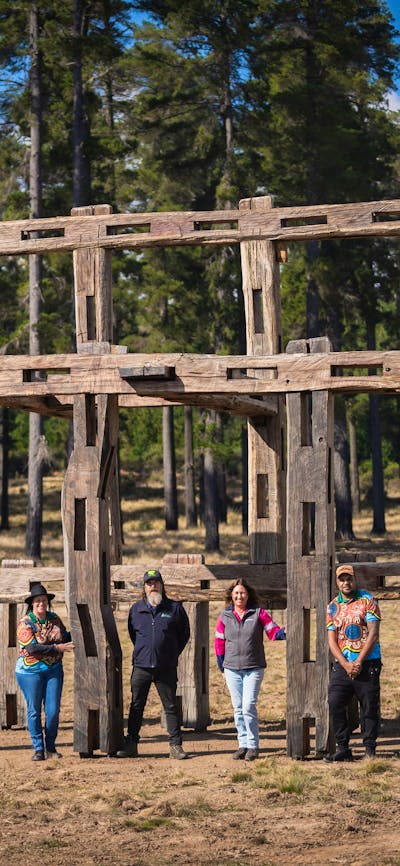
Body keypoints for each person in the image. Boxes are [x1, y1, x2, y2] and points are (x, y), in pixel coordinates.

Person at [117, 568, 190, 760]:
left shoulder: (175, 608)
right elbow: (134, 635)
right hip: (141, 666)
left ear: (162, 585)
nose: (153, 586)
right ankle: (131, 743)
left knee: (170, 707)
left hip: (165, 667)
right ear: (144, 587)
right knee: (136, 705)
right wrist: (145, 652)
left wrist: (170, 653)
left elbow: (184, 635)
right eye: (149, 583)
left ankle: (176, 746)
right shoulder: (136, 610)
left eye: (156, 582)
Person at [214, 578, 286, 761]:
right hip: (231, 669)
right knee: (237, 708)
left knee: (248, 706)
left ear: (248, 595)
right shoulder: (224, 616)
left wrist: (286, 632)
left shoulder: (259, 613)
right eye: (237, 593)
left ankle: (253, 746)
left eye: (243, 593)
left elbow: (273, 631)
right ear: (231, 595)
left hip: (253, 667)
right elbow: (219, 641)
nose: (240, 596)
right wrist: (221, 663)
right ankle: (242, 744)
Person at [324, 563, 382, 762]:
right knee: (335, 702)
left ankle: (369, 749)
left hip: (368, 662)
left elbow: (373, 634)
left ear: (354, 579)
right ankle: (343, 747)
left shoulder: (367, 600)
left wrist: (358, 661)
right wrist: (346, 663)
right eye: (342, 579)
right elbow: (332, 640)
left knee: (368, 705)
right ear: (337, 582)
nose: (346, 582)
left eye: (349, 578)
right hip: (343, 664)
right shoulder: (332, 606)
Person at [15, 581, 74, 761]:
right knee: (34, 709)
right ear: (32, 604)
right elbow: (32, 649)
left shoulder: (54, 618)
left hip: (53, 669)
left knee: (53, 710)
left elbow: (65, 636)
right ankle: (38, 748)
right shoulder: (25, 623)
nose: (41, 603)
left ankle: (51, 747)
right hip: (29, 671)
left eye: (44, 600)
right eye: (37, 601)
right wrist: (57, 648)